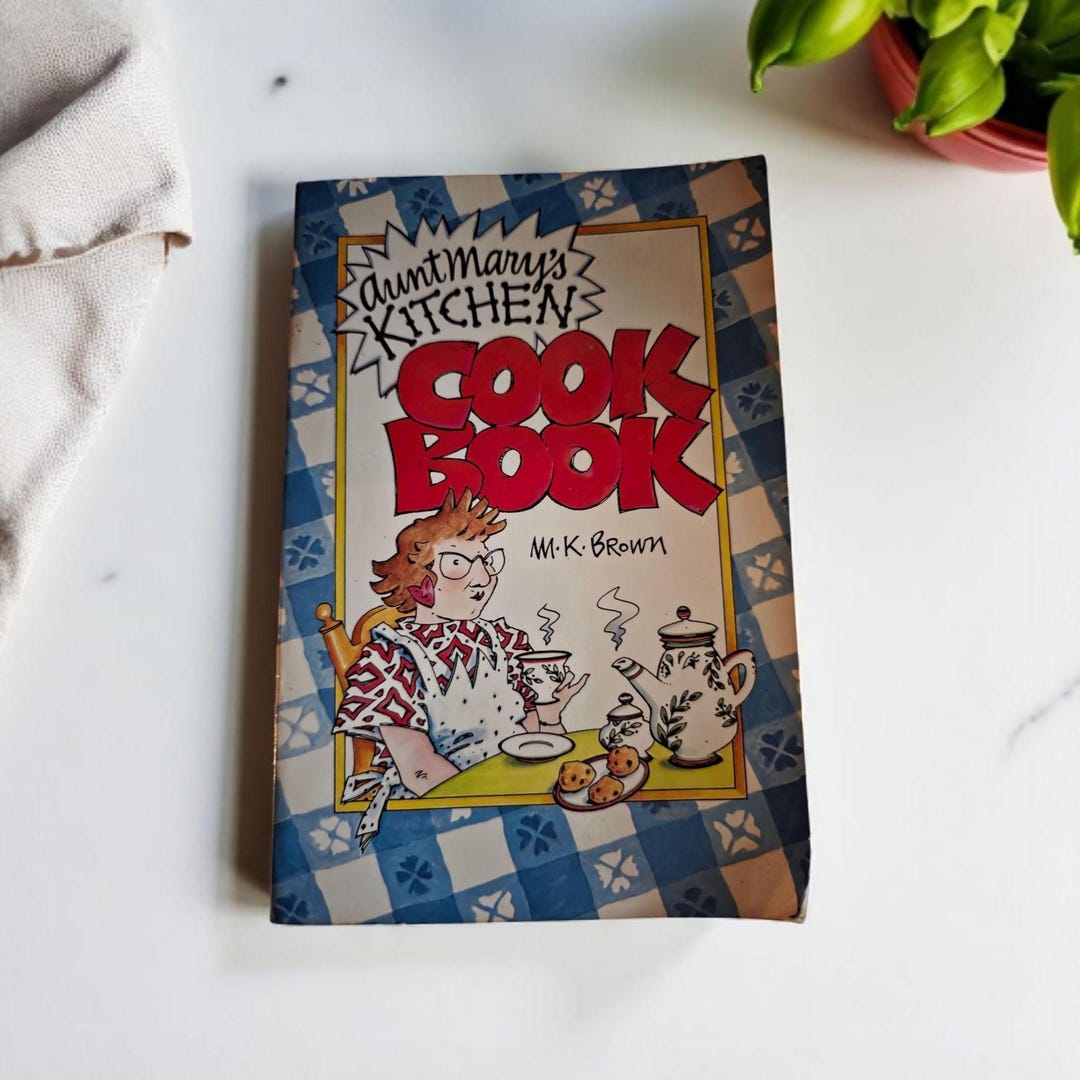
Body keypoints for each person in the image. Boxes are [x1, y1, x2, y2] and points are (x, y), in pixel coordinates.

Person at [332, 488, 587, 847]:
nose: (482, 577)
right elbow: (419, 769)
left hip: (516, 791)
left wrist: (548, 715)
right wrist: (495, 812)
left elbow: (532, 741)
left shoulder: (504, 640)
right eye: (457, 564)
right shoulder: (391, 658)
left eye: (486, 561)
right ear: (418, 584)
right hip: (446, 810)